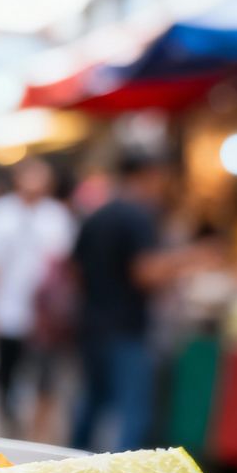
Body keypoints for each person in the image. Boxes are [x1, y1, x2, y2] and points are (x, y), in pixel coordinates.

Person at [69, 151, 176, 452]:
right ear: (149, 175)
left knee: (92, 401)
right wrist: (186, 263)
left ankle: (71, 467)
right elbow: (145, 273)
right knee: (133, 411)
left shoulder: (97, 215)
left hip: (91, 322)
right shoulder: (139, 216)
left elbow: (74, 268)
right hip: (126, 327)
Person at [0, 158, 76, 435]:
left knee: (45, 377)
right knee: (5, 374)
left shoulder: (57, 216)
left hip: (45, 318)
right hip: (6, 310)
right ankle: (9, 423)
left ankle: (36, 431)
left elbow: (63, 266)